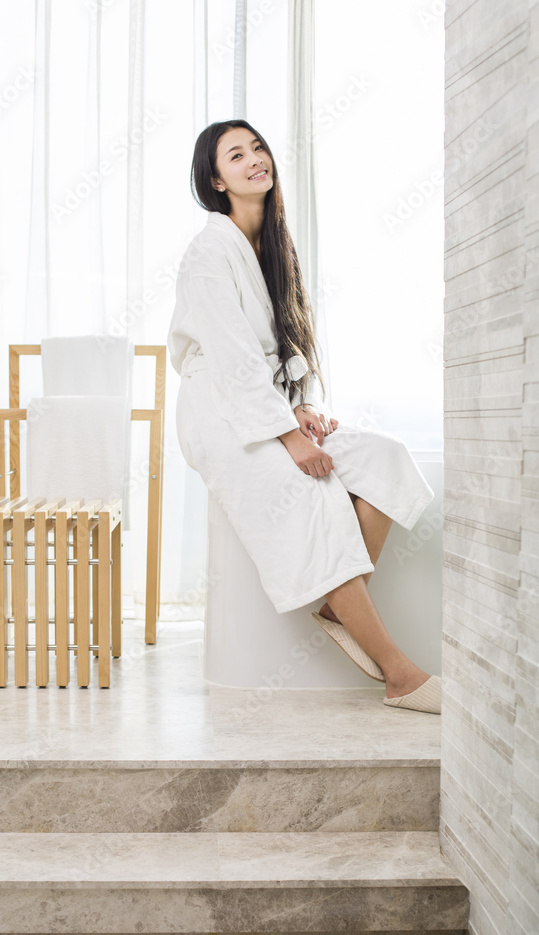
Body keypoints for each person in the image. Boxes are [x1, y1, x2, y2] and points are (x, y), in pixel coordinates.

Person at [167, 119, 441, 715]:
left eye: (258, 147)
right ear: (216, 179)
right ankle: (397, 673)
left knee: (386, 459)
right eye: (235, 155)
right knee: (313, 495)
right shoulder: (209, 250)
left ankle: (335, 600)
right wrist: (289, 436)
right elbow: (235, 358)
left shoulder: (274, 243)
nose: (254, 159)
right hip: (221, 414)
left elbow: (290, 341)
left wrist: (306, 402)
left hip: (269, 405)